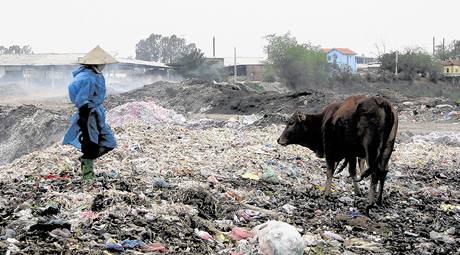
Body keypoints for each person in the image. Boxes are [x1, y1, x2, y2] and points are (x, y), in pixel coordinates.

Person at [63, 46, 117, 180]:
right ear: (96, 63)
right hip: (88, 114)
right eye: (103, 63)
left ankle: (86, 159)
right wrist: (84, 118)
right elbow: (82, 100)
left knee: (109, 142)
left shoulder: (95, 74)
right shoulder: (86, 77)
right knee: (90, 144)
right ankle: (87, 175)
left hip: (97, 113)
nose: (104, 66)